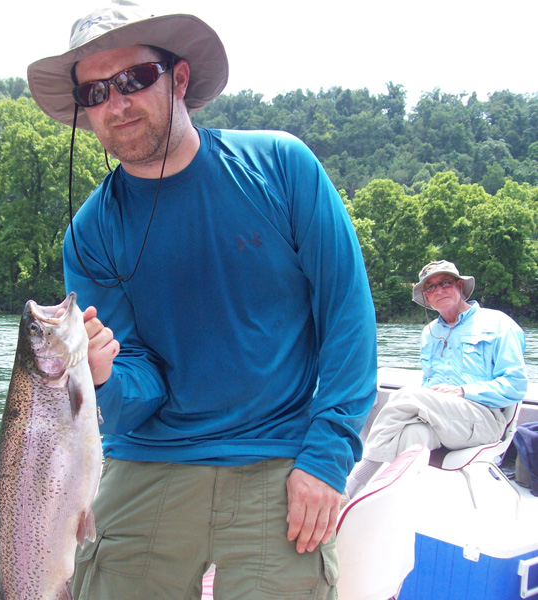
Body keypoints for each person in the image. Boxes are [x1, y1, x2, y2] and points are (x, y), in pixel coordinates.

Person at [27, 2, 377, 598]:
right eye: (94, 93)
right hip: (148, 457)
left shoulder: (283, 168)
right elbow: (143, 391)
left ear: (179, 79)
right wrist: (108, 375)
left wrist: (325, 457)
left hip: (278, 454)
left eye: (133, 80)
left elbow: (347, 319)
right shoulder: (89, 234)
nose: (116, 103)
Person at [346, 260, 527, 499]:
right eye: (430, 287)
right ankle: (395, 505)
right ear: (426, 298)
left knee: (407, 395)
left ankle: (353, 484)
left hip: (484, 420)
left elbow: (516, 385)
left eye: (445, 282)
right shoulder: (429, 333)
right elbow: (428, 385)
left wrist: (464, 391)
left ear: (460, 285)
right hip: (439, 417)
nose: (438, 290)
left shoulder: (498, 323)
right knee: (412, 434)